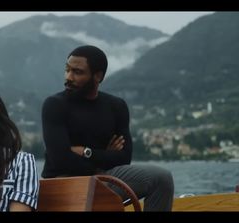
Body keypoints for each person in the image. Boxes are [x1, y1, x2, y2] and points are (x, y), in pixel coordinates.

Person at [41, 45, 174, 211]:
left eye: (77, 72)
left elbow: (124, 157)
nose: (69, 77)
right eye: (67, 70)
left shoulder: (116, 106)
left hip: (104, 179)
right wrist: (104, 158)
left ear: (98, 76)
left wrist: (85, 151)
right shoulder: (54, 105)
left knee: (162, 178)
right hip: (62, 183)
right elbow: (60, 158)